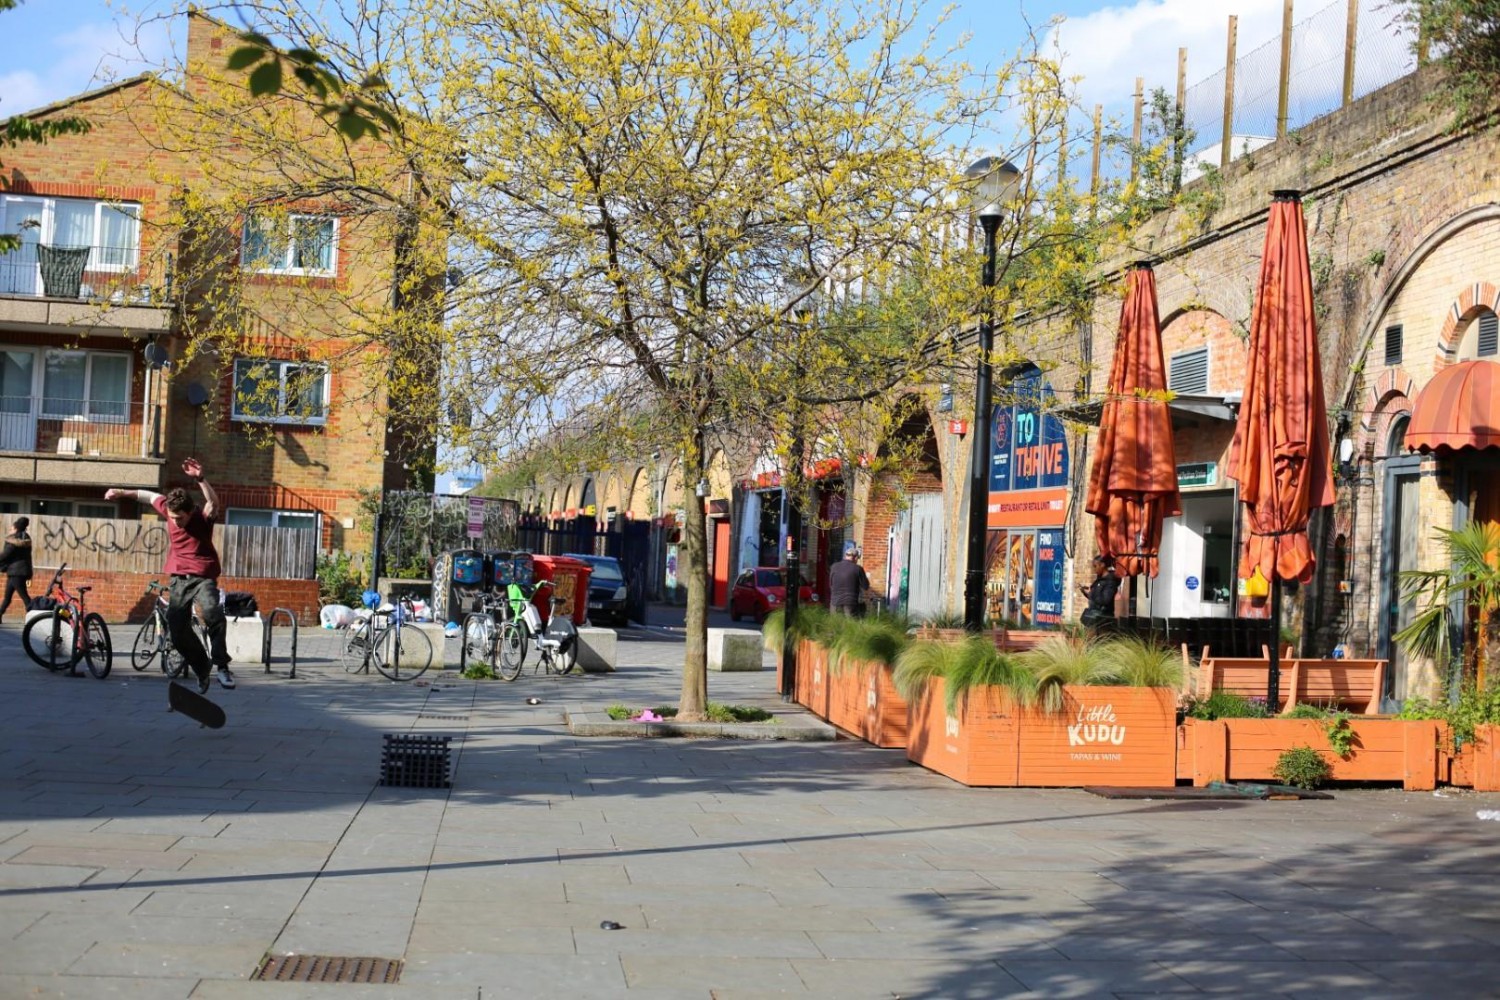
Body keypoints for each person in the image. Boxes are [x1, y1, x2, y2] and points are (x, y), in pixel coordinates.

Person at [105, 458, 234, 692]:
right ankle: (202, 668)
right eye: (173, 518)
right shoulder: (168, 508)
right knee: (176, 631)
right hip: (178, 578)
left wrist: (201, 479)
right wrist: (120, 492)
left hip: (203, 577)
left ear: (190, 512)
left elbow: (214, 503)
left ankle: (222, 666)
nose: (177, 522)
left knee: (212, 611)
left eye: (181, 518)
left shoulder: (202, 518)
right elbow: (146, 495)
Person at [0, 516, 34, 624]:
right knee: (7, 597)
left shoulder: (13, 540)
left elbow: (6, 554)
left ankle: (34, 618)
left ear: (16, 528)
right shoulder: (26, 538)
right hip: (20, 571)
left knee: (24, 597)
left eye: (12, 528)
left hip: (16, 572)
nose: (10, 530)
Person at [828, 541, 871, 617]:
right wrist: (865, 577)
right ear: (855, 558)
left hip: (835, 603)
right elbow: (865, 586)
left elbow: (830, 584)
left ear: (845, 556)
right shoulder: (858, 569)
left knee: (835, 626)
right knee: (850, 627)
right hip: (850, 603)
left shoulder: (834, 566)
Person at [1079, 554, 1120, 630]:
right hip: (1093, 618)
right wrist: (1085, 592)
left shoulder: (1110, 581)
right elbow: (1095, 599)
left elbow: (1105, 600)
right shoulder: (1099, 580)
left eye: (1095, 566)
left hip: (1102, 620)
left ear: (1102, 565)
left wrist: (1091, 593)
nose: (1094, 569)